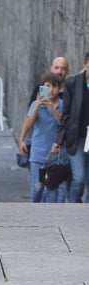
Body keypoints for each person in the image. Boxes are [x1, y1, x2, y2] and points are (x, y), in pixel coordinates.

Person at [19, 71, 66, 203]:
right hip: (38, 153)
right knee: (37, 189)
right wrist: (37, 106)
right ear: (42, 88)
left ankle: (49, 222)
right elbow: (28, 123)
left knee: (52, 189)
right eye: (48, 86)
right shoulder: (36, 104)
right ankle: (34, 218)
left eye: (54, 86)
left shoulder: (62, 105)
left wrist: (53, 109)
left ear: (59, 88)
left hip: (55, 155)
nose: (51, 90)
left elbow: (63, 124)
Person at [54, 51, 89, 203]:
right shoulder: (73, 83)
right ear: (85, 63)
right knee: (79, 178)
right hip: (77, 137)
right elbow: (66, 114)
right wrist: (58, 141)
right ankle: (73, 208)